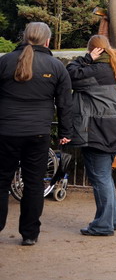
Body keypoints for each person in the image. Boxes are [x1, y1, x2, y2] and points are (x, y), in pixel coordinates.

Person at [0, 22, 72, 246]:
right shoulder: (56, 66)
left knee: (1, 181)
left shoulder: (4, 61)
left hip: (6, 131)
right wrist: (65, 132)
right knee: (33, 184)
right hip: (38, 133)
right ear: (47, 41)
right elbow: (65, 104)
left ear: (24, 37)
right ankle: (30, 234)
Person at [67, 34, 116, 237]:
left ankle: (103, 224)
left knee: (100, 178)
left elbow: (69, 74)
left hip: (97, 133)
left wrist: (86, 59)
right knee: (105, 177)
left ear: (93, 50)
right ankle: (111, 220)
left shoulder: (92, 72)